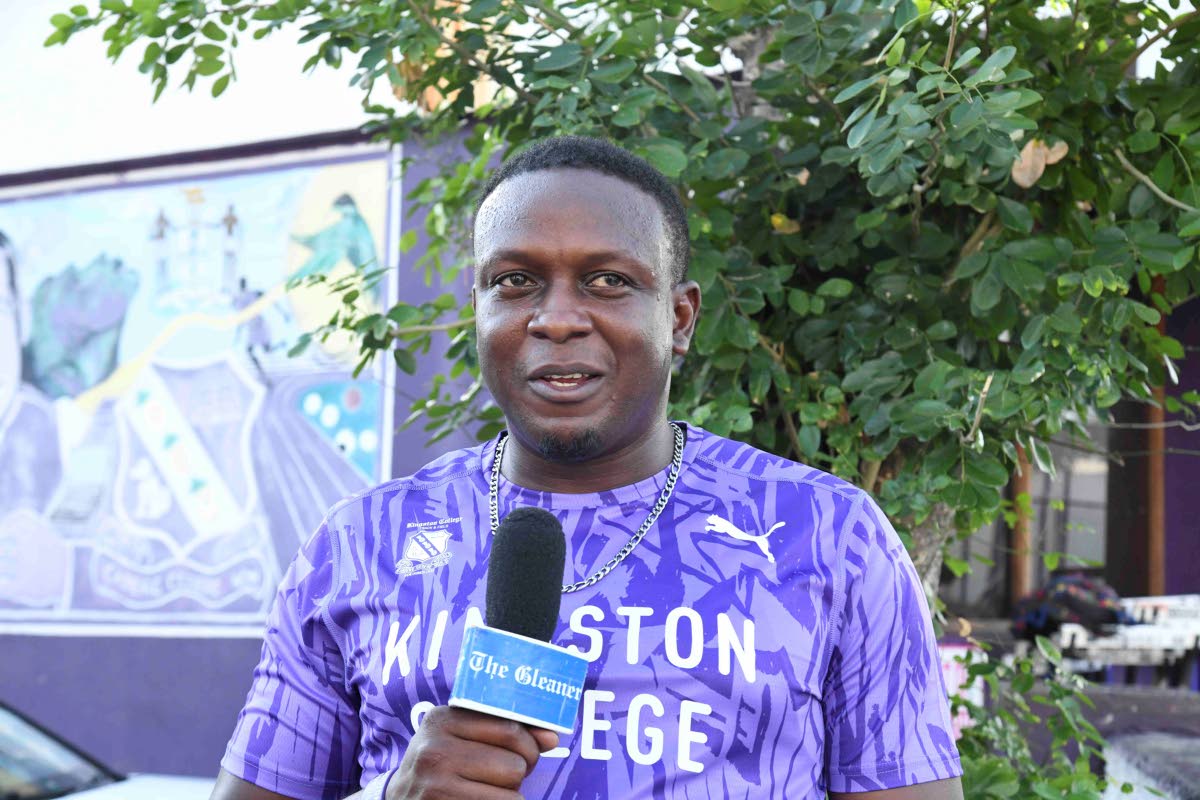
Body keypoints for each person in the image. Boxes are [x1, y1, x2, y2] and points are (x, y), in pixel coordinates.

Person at [211, 136, 964, 800]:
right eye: (514, 281)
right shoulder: (359, 544)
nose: (558, 317)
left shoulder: (827, 534)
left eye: (608, 280)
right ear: (477, 308)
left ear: (679, 317)